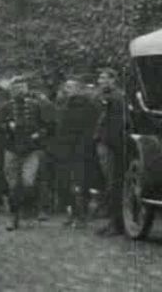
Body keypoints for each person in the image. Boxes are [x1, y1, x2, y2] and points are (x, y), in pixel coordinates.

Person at [0, 74, 55, 231]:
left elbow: (49, 127)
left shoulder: (37, 106)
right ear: (11, 90)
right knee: (13, 184)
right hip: (12, 149)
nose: (19, 91)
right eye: (16, 88)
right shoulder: (6, 107)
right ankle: (13, 217)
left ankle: (30, 209)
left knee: (28, 182)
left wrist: (38, 135)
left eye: (22, 87)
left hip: (31, 149)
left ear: (27, 89)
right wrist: (7, 127)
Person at [53, 77, 101, 228]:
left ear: (79, 89)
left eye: (71, 87)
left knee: (80, 183)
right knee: (66, 182)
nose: (68, 89)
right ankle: (72, 214)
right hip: (64, 149)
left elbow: (89, 129)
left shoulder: (87, 105)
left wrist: (83, 148)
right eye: (66, 86)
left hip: (80, 150)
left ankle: (81, 217)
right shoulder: (63, 104)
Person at [94, 67, 128, 236]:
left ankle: (117, 224)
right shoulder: (111, 97)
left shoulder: (115, 98)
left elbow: (116, 125)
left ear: (113, 80)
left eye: (104, 78)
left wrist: (110, 145)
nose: (100, 81)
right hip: (106, 144)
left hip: (110, 146)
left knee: (113, 184)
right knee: (111, 184)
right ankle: (114, 223)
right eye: (100, 78)